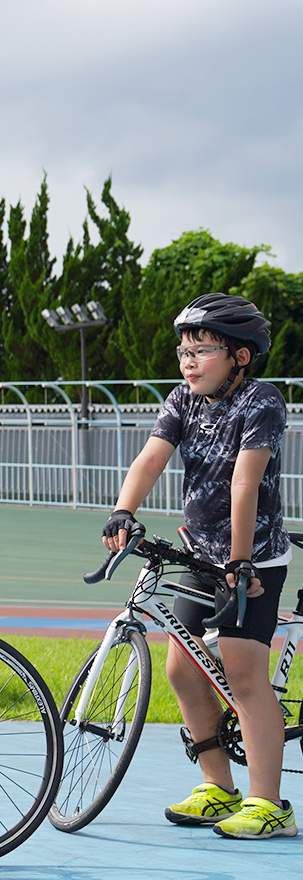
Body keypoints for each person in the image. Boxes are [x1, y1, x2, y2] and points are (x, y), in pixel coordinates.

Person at [103, 293, 293, 839]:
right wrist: (123, 510)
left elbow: (244, 482)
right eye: (183, 350)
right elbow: (151, 458)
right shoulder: (182, 401)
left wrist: (239, 560)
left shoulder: (261, 401)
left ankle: (269, 803)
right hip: (201, 555)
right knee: (182, 667)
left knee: (243, 674)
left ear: (240, 357)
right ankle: (218, 785)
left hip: (251, 557)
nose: (188, 361)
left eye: (203, 350)